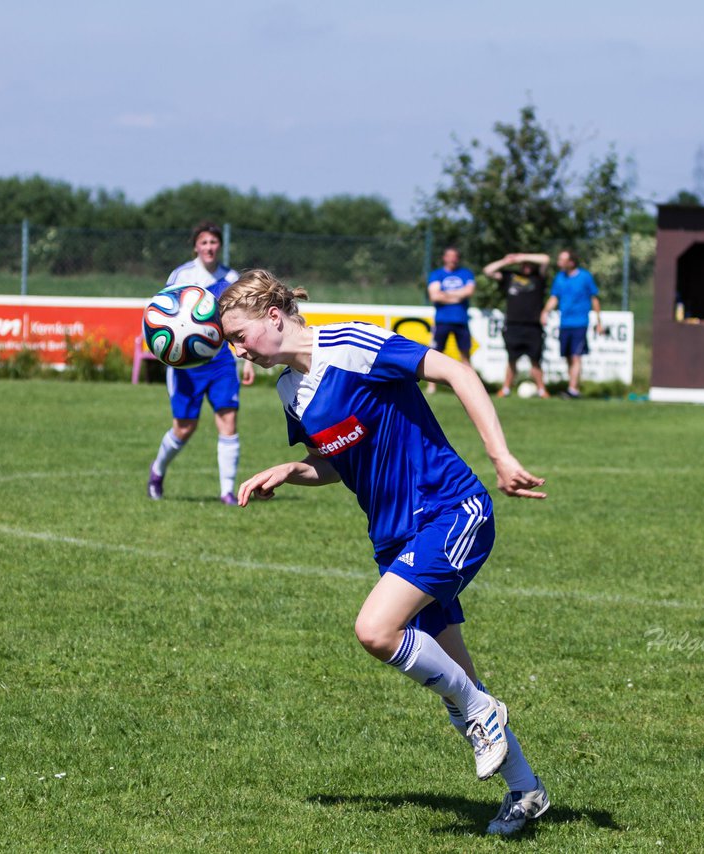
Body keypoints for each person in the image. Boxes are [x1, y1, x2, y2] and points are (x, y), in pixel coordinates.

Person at [218, 269, 551, 837]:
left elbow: (455, 370)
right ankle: (527, 790)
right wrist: (290, 470)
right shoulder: (289, 393)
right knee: (461, 687)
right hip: (395, 538)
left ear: (273, 317)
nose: (236, 348)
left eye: (239, 334)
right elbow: (337, 459)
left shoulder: (349, 344)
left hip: (450, 510)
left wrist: (499, 455)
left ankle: (486, 717)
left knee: (376, 630)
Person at [146, 222, 255, 503]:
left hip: (220, 360)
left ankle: (227, 492)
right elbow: (161, 315)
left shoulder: (230, 278)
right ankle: (157, 470)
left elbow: (241, 320)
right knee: (185, 426)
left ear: (220, 246)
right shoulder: (182, 275)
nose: (209, 247)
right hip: (186, 362)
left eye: (213, 242)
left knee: (227, 420)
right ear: (196, 246)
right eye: (204, 242)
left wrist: (249, 360)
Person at [483, 252, 551, 398]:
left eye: (528, 264)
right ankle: (506, 389)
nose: (526, 266)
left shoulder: (538, 278)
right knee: (512, 359)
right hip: (513, 325)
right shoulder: (510, 276)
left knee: (535, 360)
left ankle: (542, 390)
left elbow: (545, 259)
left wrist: (523, 256)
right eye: (523, 264)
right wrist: (505, 261)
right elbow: (487, 271)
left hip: (533, 326)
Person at [541, 250, 602, 398]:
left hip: (580, 323)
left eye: (562, 259)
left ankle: (572, 389)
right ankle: (573, 387)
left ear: (571, 262)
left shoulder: (585, 277)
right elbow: (554, 297)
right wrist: (545, 312)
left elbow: (594, 299)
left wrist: (599, 321)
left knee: (576, 356)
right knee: (568, 356)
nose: (559, 262)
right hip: (564, 323)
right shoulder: (559, 278)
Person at [425, 247, 475, 393]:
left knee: (465, 354)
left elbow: (469, 292)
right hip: (442, 320)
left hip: (461, 320)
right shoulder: (436, 274)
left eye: (455, 256)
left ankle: (470, 385)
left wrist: (445, 295)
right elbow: (434, 296)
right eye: (449, 256)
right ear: (444, 258)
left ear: (458, 258)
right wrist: (458, 296)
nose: (452, 259)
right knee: (435, 354)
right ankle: (431, 386)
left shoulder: (466, 273)